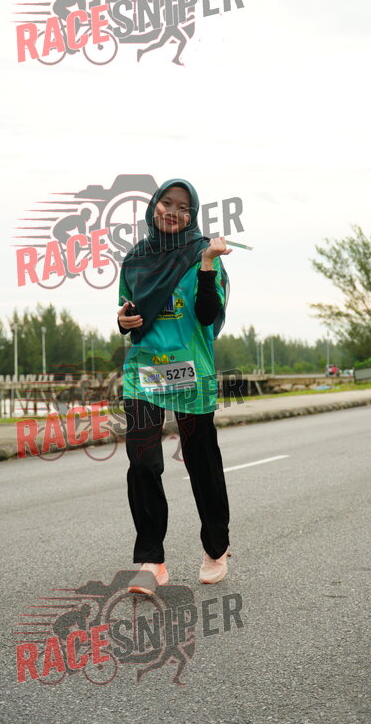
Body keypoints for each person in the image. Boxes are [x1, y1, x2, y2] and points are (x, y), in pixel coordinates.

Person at [116, 179, 232, 594]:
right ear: (154, 206)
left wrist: (207, 265)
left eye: (184, 208)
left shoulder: (204, 253)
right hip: (144, 374)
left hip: (191, 372)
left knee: (201, 461)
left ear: (193, 215)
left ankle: (216, 549)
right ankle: (151, 561)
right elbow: (129, 313)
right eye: (167, 203)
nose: (173, 212)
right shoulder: (135, 259)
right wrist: (123, 320)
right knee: (143, 465)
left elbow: (207, 315)